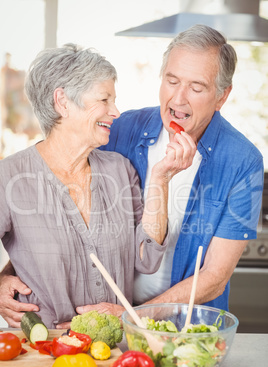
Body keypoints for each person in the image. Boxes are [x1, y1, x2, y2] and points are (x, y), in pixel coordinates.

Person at [0, 25, 264, 328]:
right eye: (172, 80)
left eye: (196, 87)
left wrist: (134, 316)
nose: (178, 98)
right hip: (103, 326)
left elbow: (214, 278)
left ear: (221, 96)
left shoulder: (243, 161)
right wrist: (6, 277)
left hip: (185, 327)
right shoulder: (120, 130)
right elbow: (53, 229)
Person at [0, 44, 191, 328]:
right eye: (104, 99)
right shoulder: (10, 176)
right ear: (62, 101)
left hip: (114, 349)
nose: (115, 111)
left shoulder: (119, 170)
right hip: (43, 351)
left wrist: (161, 180)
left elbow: (147, 259)